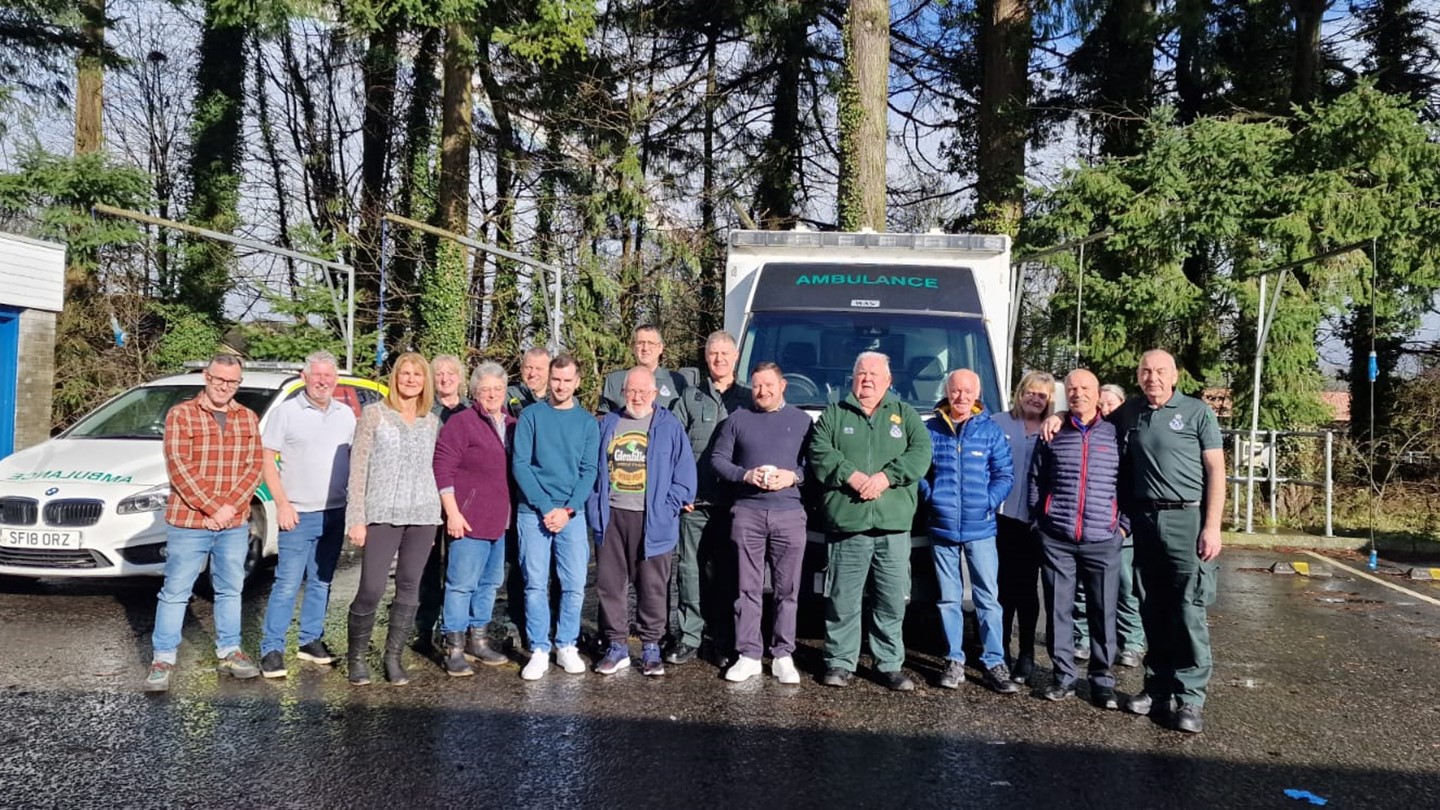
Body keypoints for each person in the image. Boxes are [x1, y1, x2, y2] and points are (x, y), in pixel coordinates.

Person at [808, 352, 933, 691]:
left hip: (892, 526)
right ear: (852, 379)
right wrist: (851, 475)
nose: (867, 378)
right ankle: (838, 662)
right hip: (848, 524)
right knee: (842, 599)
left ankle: (889, 664)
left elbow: (921, 453)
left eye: (874, 374)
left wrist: (885, 478)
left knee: (891, 600)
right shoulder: (833, 414)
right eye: (861, 372)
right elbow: (819, 452)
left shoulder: (905, 415)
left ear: (888, 381)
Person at [1116, 350, 1225, 733]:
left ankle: (1191, 698)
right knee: (1153, 607)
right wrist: (1061, 416)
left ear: (1175, 375)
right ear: (1138, 374)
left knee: (1188, 609)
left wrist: (1212, 527)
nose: (1153, 377)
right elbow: (1092, 421)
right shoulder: (1130, 412)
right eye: (1146, 371)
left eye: (1161, 371)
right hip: (1146, 520)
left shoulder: (1196, 412)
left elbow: (1217, 471)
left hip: (1188, 518)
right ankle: (1157, 687)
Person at [143, 354, 265, 692]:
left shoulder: (248, 418)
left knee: (230, 588)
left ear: (239, 383)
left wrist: (230, 508)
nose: (224, 387)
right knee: (176, 592)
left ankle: (230, 651)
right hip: (189, 521)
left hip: (234, 523)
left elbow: (254, 468)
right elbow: (179, 467)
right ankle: (163, 659)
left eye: (232, 382)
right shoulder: (180, 415)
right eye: (219, 380)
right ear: (206, 377)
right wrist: (212, 508)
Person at [587, 368, 697, 676]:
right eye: (631, 392)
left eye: (643, 392)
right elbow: (591, 470)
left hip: (652, 520)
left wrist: (668, 506)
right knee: (610, 585)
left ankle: (651, 647)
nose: (637, 397)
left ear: (653, 394)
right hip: (611, 515)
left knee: (652, 586)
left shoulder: (669, 426)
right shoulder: (607, 424)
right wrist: (594, 506)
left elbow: (685, 476)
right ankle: (617, 646)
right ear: (623, 393)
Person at [1029, 369, 1126, 710]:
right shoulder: (1053, 432)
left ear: (1098, 393)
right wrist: (1040, 524)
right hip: (1058, 538)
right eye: (1071, 388)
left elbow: (1128, 483)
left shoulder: (1116, 433)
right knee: (1059, 612)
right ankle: (1063, 677)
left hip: (1103, 538)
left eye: (1085, 388)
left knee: (1103, 613)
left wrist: (1122, 526)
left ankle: (1102, 682)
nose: (1078, 394)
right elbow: (1036, 479)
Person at [344, 352, 442, 686]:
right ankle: (356, 658)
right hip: (382, 513)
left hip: (423, 515)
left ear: (425, 381)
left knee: (409, 587)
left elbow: (436, 470)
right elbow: (358, 469)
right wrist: (356, 518)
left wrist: (436, 515)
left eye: (418, 374)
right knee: (371, 588)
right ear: (395, 377)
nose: (411, 379)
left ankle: (393, 658)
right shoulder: (373, 415)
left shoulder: (432, 421)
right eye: (405, 373)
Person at [710, 362, 812, 684]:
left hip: (789, 514)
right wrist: (746, 475)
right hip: (748, 513)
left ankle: (783, 654)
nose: (762, 391)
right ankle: (749, 654)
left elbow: (816, 465)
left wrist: (793, 476)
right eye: (756, 386)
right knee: (747, 587)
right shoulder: (738, 420)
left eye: (768, 385)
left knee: (788, 590)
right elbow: (718, 460)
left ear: (783, 386)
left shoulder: (802, 421)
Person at [257, 350, 356, 679]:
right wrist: (282, 503)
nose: (323, 382)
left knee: (321, 581)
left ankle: (310, 640)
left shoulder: (345, 415)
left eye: (329, 376)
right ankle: (272, 648)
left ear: (336, 380)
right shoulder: (286, 413)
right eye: (317, 376)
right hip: (296, 514)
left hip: (333, 512)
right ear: (305, 377)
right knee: (286, 583)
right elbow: (267, 459)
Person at [919, 368, 1018, 694]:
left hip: (982, 529)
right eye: (955, 391)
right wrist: (932, 497)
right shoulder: (931, 429)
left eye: (967, 391)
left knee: (988, 599)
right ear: (947, 392)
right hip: (942, 527)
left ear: (977, 395)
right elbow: (918, 470)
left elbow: (1004, 474)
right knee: (948, 599)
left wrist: (987, 502)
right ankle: (954, 660)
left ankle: (994, 662)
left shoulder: (990, 431)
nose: (960, 397)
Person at [512, 354, 600, 680]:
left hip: (571, 516)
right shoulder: (531, 416)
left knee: (574, 583)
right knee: (535, 583)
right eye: (556, 379)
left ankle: (566, 644)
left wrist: (567, 510)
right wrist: (546, 506)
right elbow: (521, 464)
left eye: (567, 380)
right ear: (549, 380)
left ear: (577, 382)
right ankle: (538, 648)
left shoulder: (588, 423)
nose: (561, 386)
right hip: (533, 512)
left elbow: (589, 470)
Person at [666, 330, 750, 666]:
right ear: (706, 357)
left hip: (735, 505)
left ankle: (723, 639)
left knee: (728, 574)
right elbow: (672, 446)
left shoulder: (747, 398)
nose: (718, 359)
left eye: (725, 354)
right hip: (695, 502)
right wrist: (679, 490)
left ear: (735, 356)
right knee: (690, 570)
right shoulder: (690, 398)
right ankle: (689, 636)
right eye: (713, 353)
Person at [433, 362, 516, 676]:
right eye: (485, 390)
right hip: (469, 519)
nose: (492, 395)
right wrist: (452, 512)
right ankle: (453, 647)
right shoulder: (462, 423)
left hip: (501, 521)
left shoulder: (512, 423)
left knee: (490, 583)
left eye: (497, 389)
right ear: (475, 393)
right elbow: (443, 469)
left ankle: (477, 640)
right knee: (461, 584)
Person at [1073, 382, 1147, 669]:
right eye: (1100, 404)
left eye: (1110, 405)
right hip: (1091, 526)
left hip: (1120, 527)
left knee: (1126, 587)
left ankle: (1131, 642)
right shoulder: (1088, 432)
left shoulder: (1127, 437)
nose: (1104, 410)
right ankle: (1083, 637)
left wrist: (1125, 525)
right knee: (1083, 586)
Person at [991, 371, 1055, 684]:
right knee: (1002, 587)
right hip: (1001, 517)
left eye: (1042, 395)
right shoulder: (998, 423)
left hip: (1034, 521)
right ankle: (1000, 649)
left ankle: (1027, 653)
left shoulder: (1053, 428)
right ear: (1020, 393)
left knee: (1028, 590)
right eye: (1030, 392)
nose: (1035, 398)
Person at [416, 354, 470, 650]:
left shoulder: (471, 412)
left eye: (451, 373)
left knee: (459, 566)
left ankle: (456, 628)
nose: (446, 379)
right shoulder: (426, 412)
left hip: (462, 501)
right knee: (427, 566)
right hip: (429, 497)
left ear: (460, 378)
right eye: (439, 374)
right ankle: (424, 628)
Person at [597, 325, 689, 414]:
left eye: (651, 343)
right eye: (640, 343)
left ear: (660, 348)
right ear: (633, 347)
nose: (645, 348)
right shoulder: (614, 381)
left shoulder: (677, 382)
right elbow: (603, 418)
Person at [507, 346, 551, 418]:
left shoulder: (558, 401)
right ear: (521, 368)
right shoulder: (506, 395)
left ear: (550, 371)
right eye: (528, 368)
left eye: (539, 369)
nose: (532, 374)